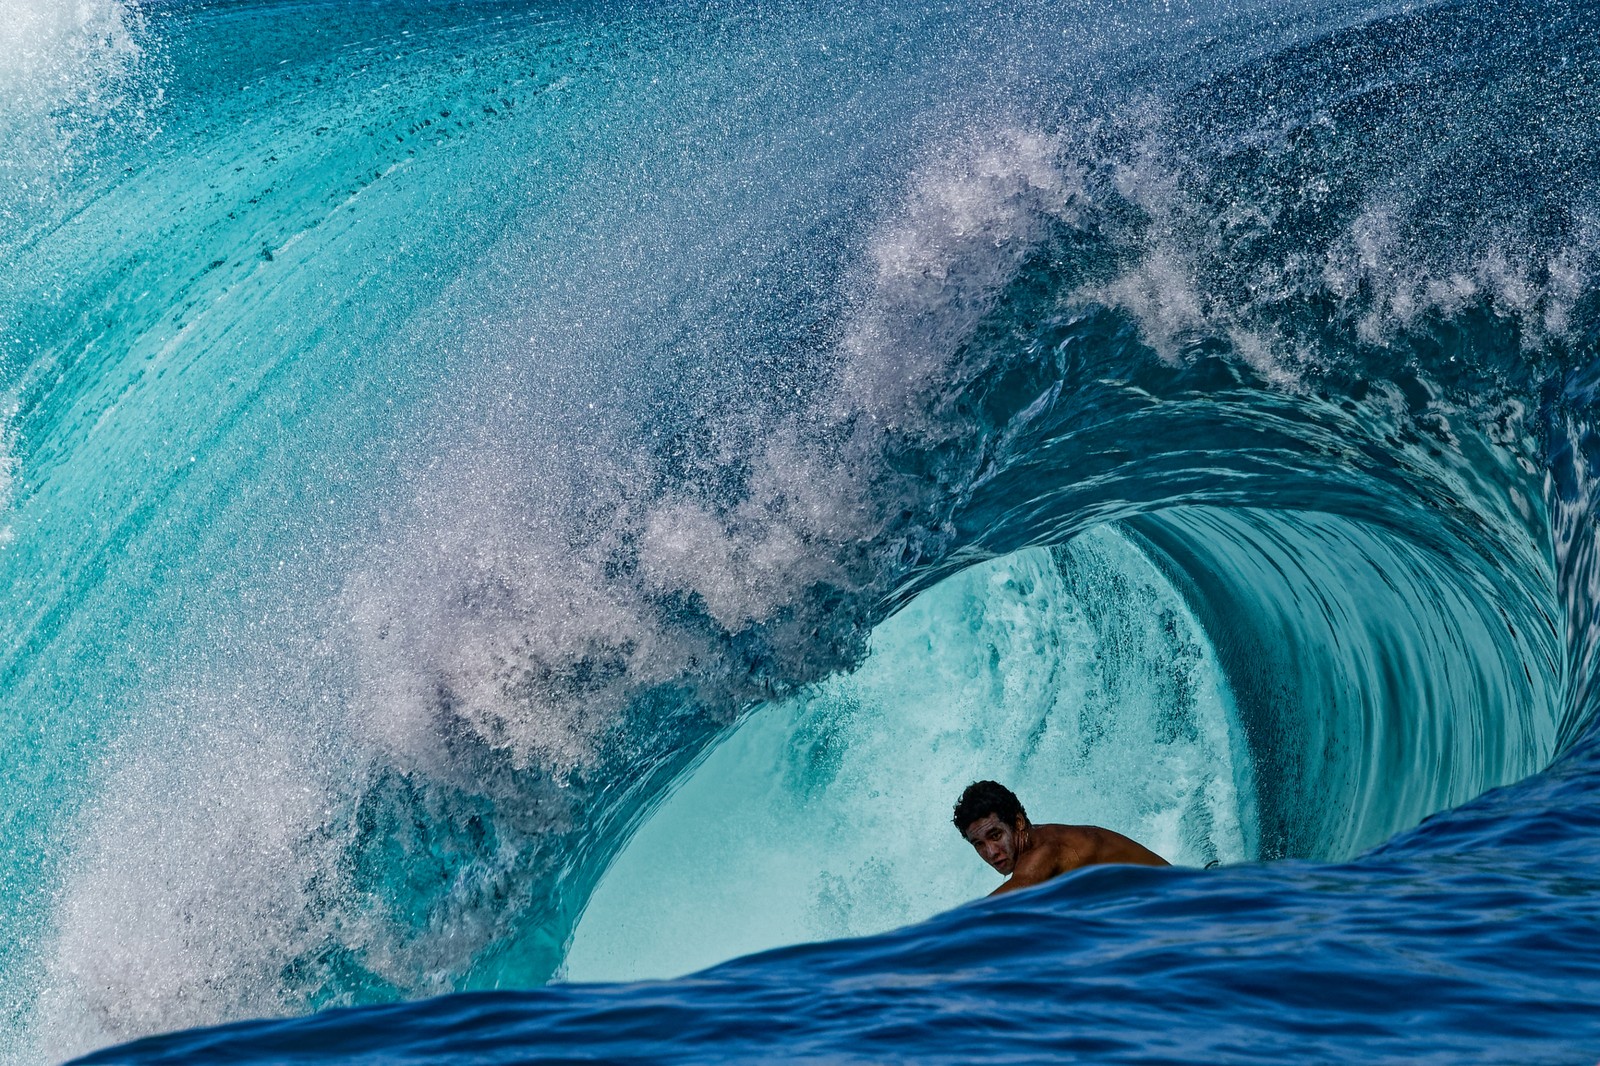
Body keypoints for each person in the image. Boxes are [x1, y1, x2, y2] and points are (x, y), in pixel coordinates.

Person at [953, 780, 1169, 896]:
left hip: (1179, 902)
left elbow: (995, 908)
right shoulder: (1042, 840)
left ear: (1018, 823)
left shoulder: (1044, 852)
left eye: (996, 835)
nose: (991, 852)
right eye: (979, 844)